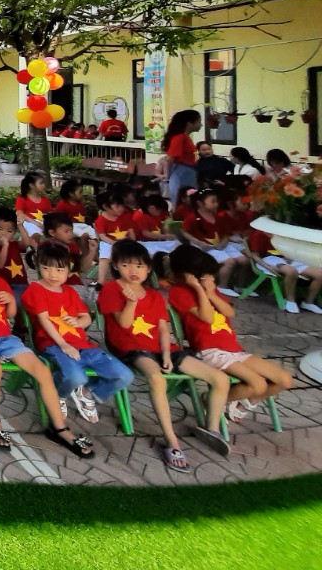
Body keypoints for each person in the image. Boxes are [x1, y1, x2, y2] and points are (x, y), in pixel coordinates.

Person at [0, 238, 92, 458]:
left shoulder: (0, 281)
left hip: (6, 338)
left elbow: (11, 315)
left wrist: (10, 301)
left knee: (42, 371)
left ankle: (59, 427)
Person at [97, 240, 231, 470]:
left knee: (220, 378)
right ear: (116, 266)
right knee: (157, 378)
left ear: (148, 268)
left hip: (162, 348)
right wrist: (131, 302)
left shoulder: (155, 296)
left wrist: (167, 354)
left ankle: (212, 430)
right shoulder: (111, 289)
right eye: (126, 264)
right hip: (130, 347)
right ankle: (172, 442)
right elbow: (125, 324)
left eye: (139, 265)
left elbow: (162, 329)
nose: (133, 270)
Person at [165, 243, 293, 424]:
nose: (211, 278)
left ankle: (240, 404)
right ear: (192, 275)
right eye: (206, 274)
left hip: (232, 348)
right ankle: (209, 400)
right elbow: (208, 317)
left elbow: (230, 312)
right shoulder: (179, 292)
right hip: (210, 350)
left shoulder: (212, 290)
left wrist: (211, 293)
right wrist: (200, 290)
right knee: (257, 384)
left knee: (284, 380)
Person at [21, 241, 133, 424]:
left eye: (59, 270)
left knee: (124, 375)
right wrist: (63, 344)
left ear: (68, 269)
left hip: (82, 345)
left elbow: (86, 317)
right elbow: (44, 320)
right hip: (53, 344)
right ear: (38, 267)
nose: (53, 274)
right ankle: (58, 394)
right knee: (75, 376)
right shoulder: (35, 289)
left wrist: (79, 322)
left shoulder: (70, 292)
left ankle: (87, 392)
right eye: (46, 268)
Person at [93, 185, 135, 285]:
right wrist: (114, 243)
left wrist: (132, 243)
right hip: (109, 243)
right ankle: (101, 281)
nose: (121, 208)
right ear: (105, 207)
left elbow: (131, 232)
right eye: (117, 206)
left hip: (126, 242)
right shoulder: (101, 220)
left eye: (122, 206)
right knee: (104, 256)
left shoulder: (125, 216)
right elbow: (102, 236)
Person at [161, 109, 202, 212]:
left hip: (189, 172)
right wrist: (167, 178)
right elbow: (169, 159)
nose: (201, 125)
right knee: (181, 202)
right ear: (189, 123)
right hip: (181, 173)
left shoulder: (186, 137)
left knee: (190, 201)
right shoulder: (180, 138)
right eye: (198, 122)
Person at [14, 171, 53, 243]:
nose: (44, 185)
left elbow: (50, 214)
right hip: (28, 222)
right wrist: (36, 223)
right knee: (35, 234)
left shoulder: (46, 200)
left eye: (43, 183)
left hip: (43, 222)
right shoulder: (22, 199)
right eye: (41, 183)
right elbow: (20, 214)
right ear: (32, 185)